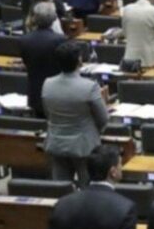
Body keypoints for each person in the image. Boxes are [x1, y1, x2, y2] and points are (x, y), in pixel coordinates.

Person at [42, 41, 107, 186]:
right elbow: (103, 119)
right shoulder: (89, 87)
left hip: (56, 142)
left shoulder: (47, 83)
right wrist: (95, 131)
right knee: (87, 188)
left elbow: (48, 114)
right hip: (84, 145)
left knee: (60, 189)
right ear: (80, 60)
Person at [20, 2, 67, 117]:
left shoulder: (24, 40)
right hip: (57, 93)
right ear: (53, 18)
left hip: (35, 92)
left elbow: (26, 62)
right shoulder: (60, 40)